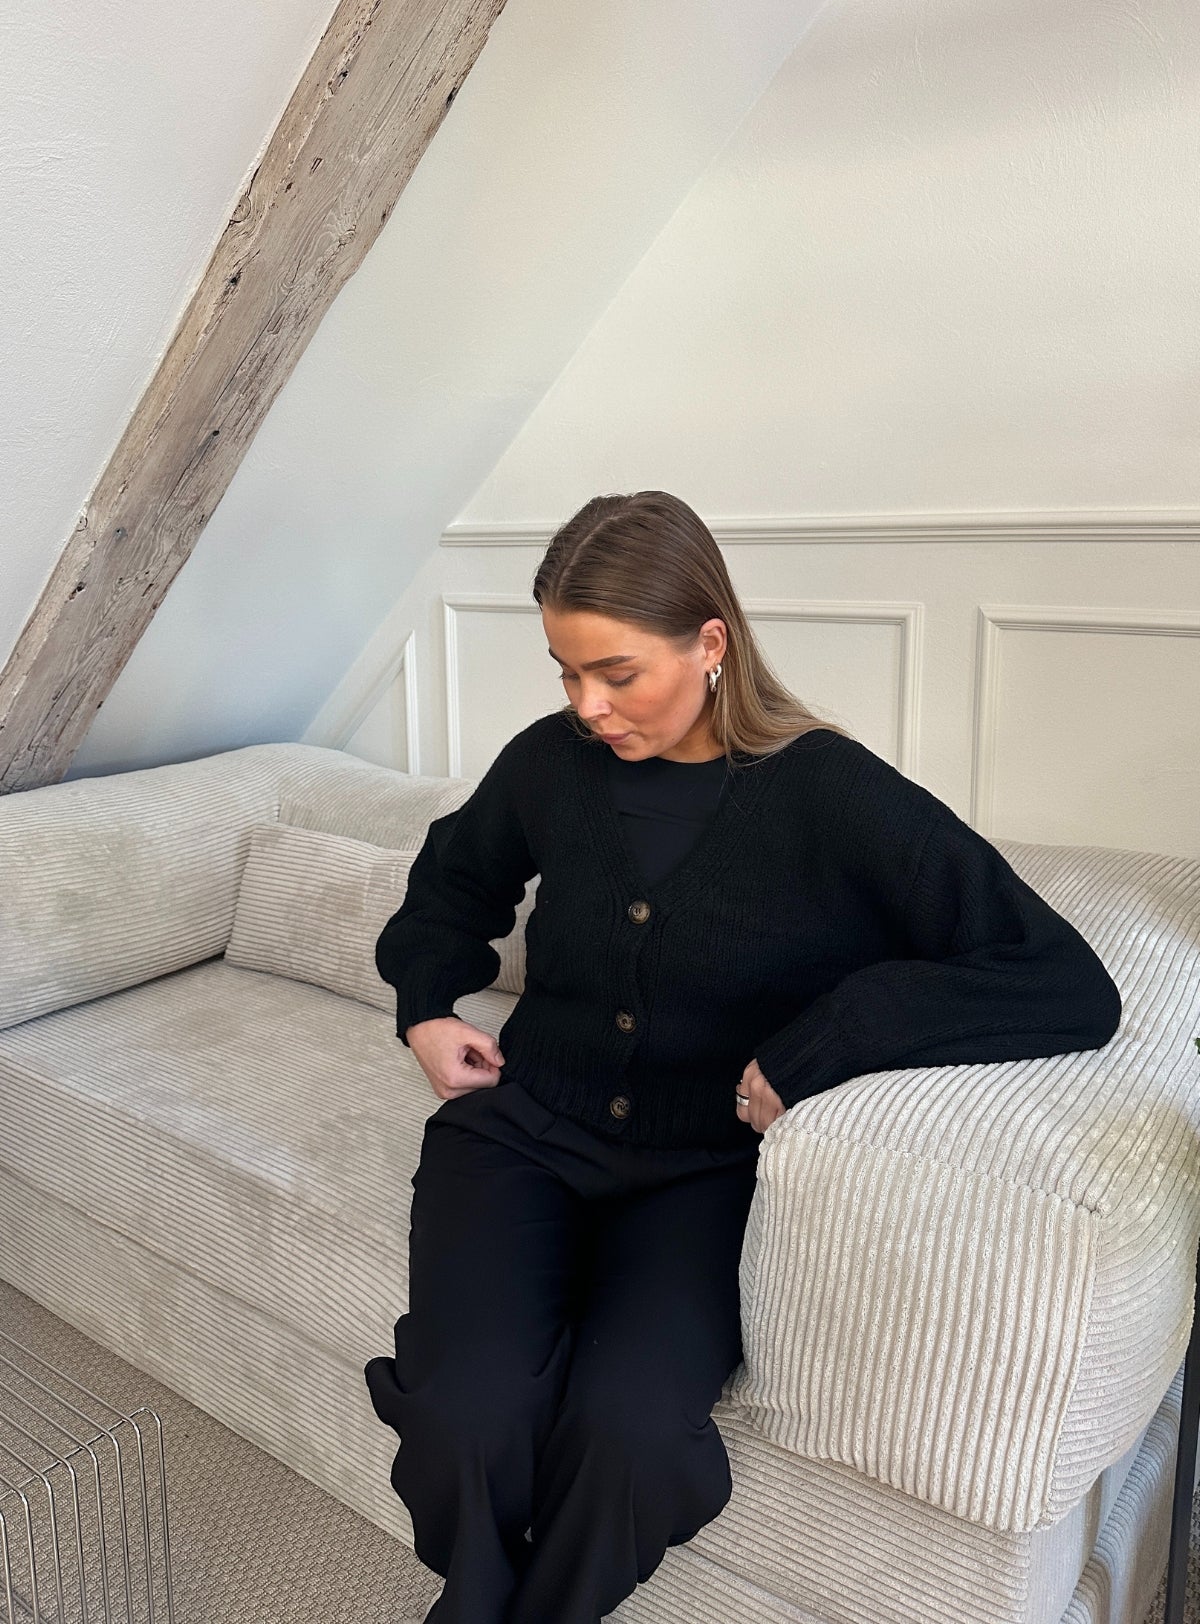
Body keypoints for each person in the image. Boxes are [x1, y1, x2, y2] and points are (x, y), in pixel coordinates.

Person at [363, 489, 1122, 1624]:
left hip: (702, 1178)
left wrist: (828, 1041)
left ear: (710, 642)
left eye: (617, 673)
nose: (587, 706)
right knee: (465, 1416)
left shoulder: (828, 791)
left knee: (627, 1436)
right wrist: (425, 1006)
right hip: (521, 1136)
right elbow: (450, 886)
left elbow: (1060, 978)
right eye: (566, 673)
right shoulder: (547, 764)